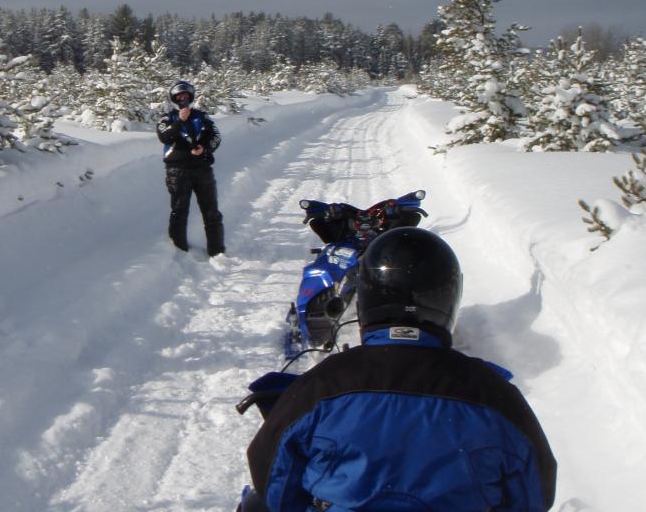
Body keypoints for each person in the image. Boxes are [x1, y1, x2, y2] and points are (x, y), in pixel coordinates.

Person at [239, 227, 557, 511]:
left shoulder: (322, 384)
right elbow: (534, 495)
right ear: (447, 299)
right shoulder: (495, 394)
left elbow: (273, 483)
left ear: (367, 297)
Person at [156, 80, 225, 256]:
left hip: (202, 168)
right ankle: (178, 251)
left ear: (191, 96)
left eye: (186, 95)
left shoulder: (202, 116)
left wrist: (204, 148)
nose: (183, 99)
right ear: (173, 99)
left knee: (211, 211)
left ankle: (217, 251)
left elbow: (215, 136)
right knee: (179, 211)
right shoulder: (166, 118)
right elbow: (164, 137)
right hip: (177, 171)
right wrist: (179, 121)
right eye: (179, 96)